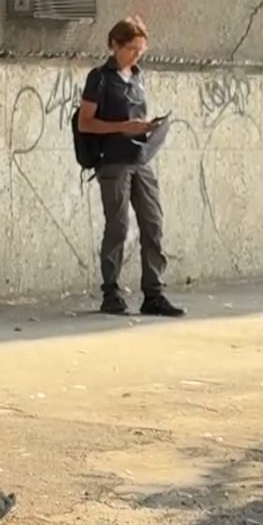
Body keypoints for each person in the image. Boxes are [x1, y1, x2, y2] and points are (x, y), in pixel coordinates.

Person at [79, 17, 183, 317]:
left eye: (140, 50)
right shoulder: (99, 78)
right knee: (118, 226)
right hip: (114, 161)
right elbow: (86, 123)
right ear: (115, 45)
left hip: (141, 157)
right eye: (131, 49)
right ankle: (111, 291)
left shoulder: (138, 77)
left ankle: (154, 292)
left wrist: (148, 127)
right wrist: (123, 127)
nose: (136, 56)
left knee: (153, 222)